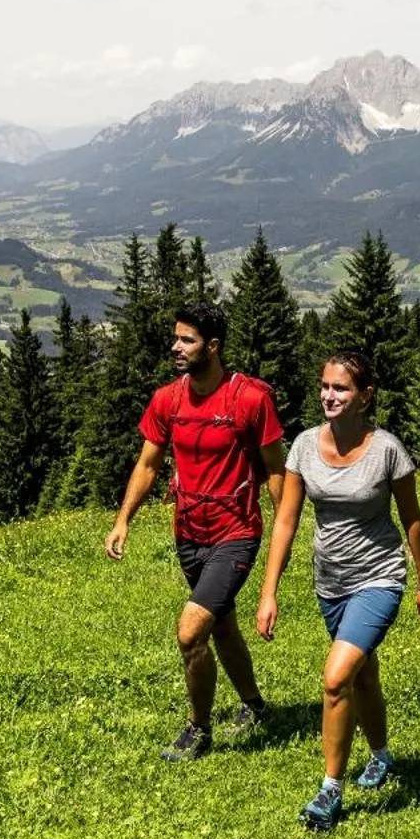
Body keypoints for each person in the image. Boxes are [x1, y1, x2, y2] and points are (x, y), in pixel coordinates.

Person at [258, 349, 420, 831]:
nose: (328, 395)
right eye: (324, 386)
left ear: (365, 398)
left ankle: (329, 791)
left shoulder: (387, 451)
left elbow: (412, 519)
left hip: (380, 576)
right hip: (330, 583)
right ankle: (380, 755)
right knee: (362, 676)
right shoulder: (301, 447)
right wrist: (268, 591)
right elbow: (287, 520)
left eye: (340, 388)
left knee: (337, 677)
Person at [107, 301, 287, 761]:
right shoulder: (168, 399)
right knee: (222, 624)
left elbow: (274, 470)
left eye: (187, 339)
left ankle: (198, 729)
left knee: (191, 632)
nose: (176, 347)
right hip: (188, 533)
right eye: (176, 338)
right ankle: (253, 705)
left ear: (214, 346)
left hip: (236, 532)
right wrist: (123, 520)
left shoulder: (250, 399)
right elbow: (148, 464)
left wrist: (284, 533)